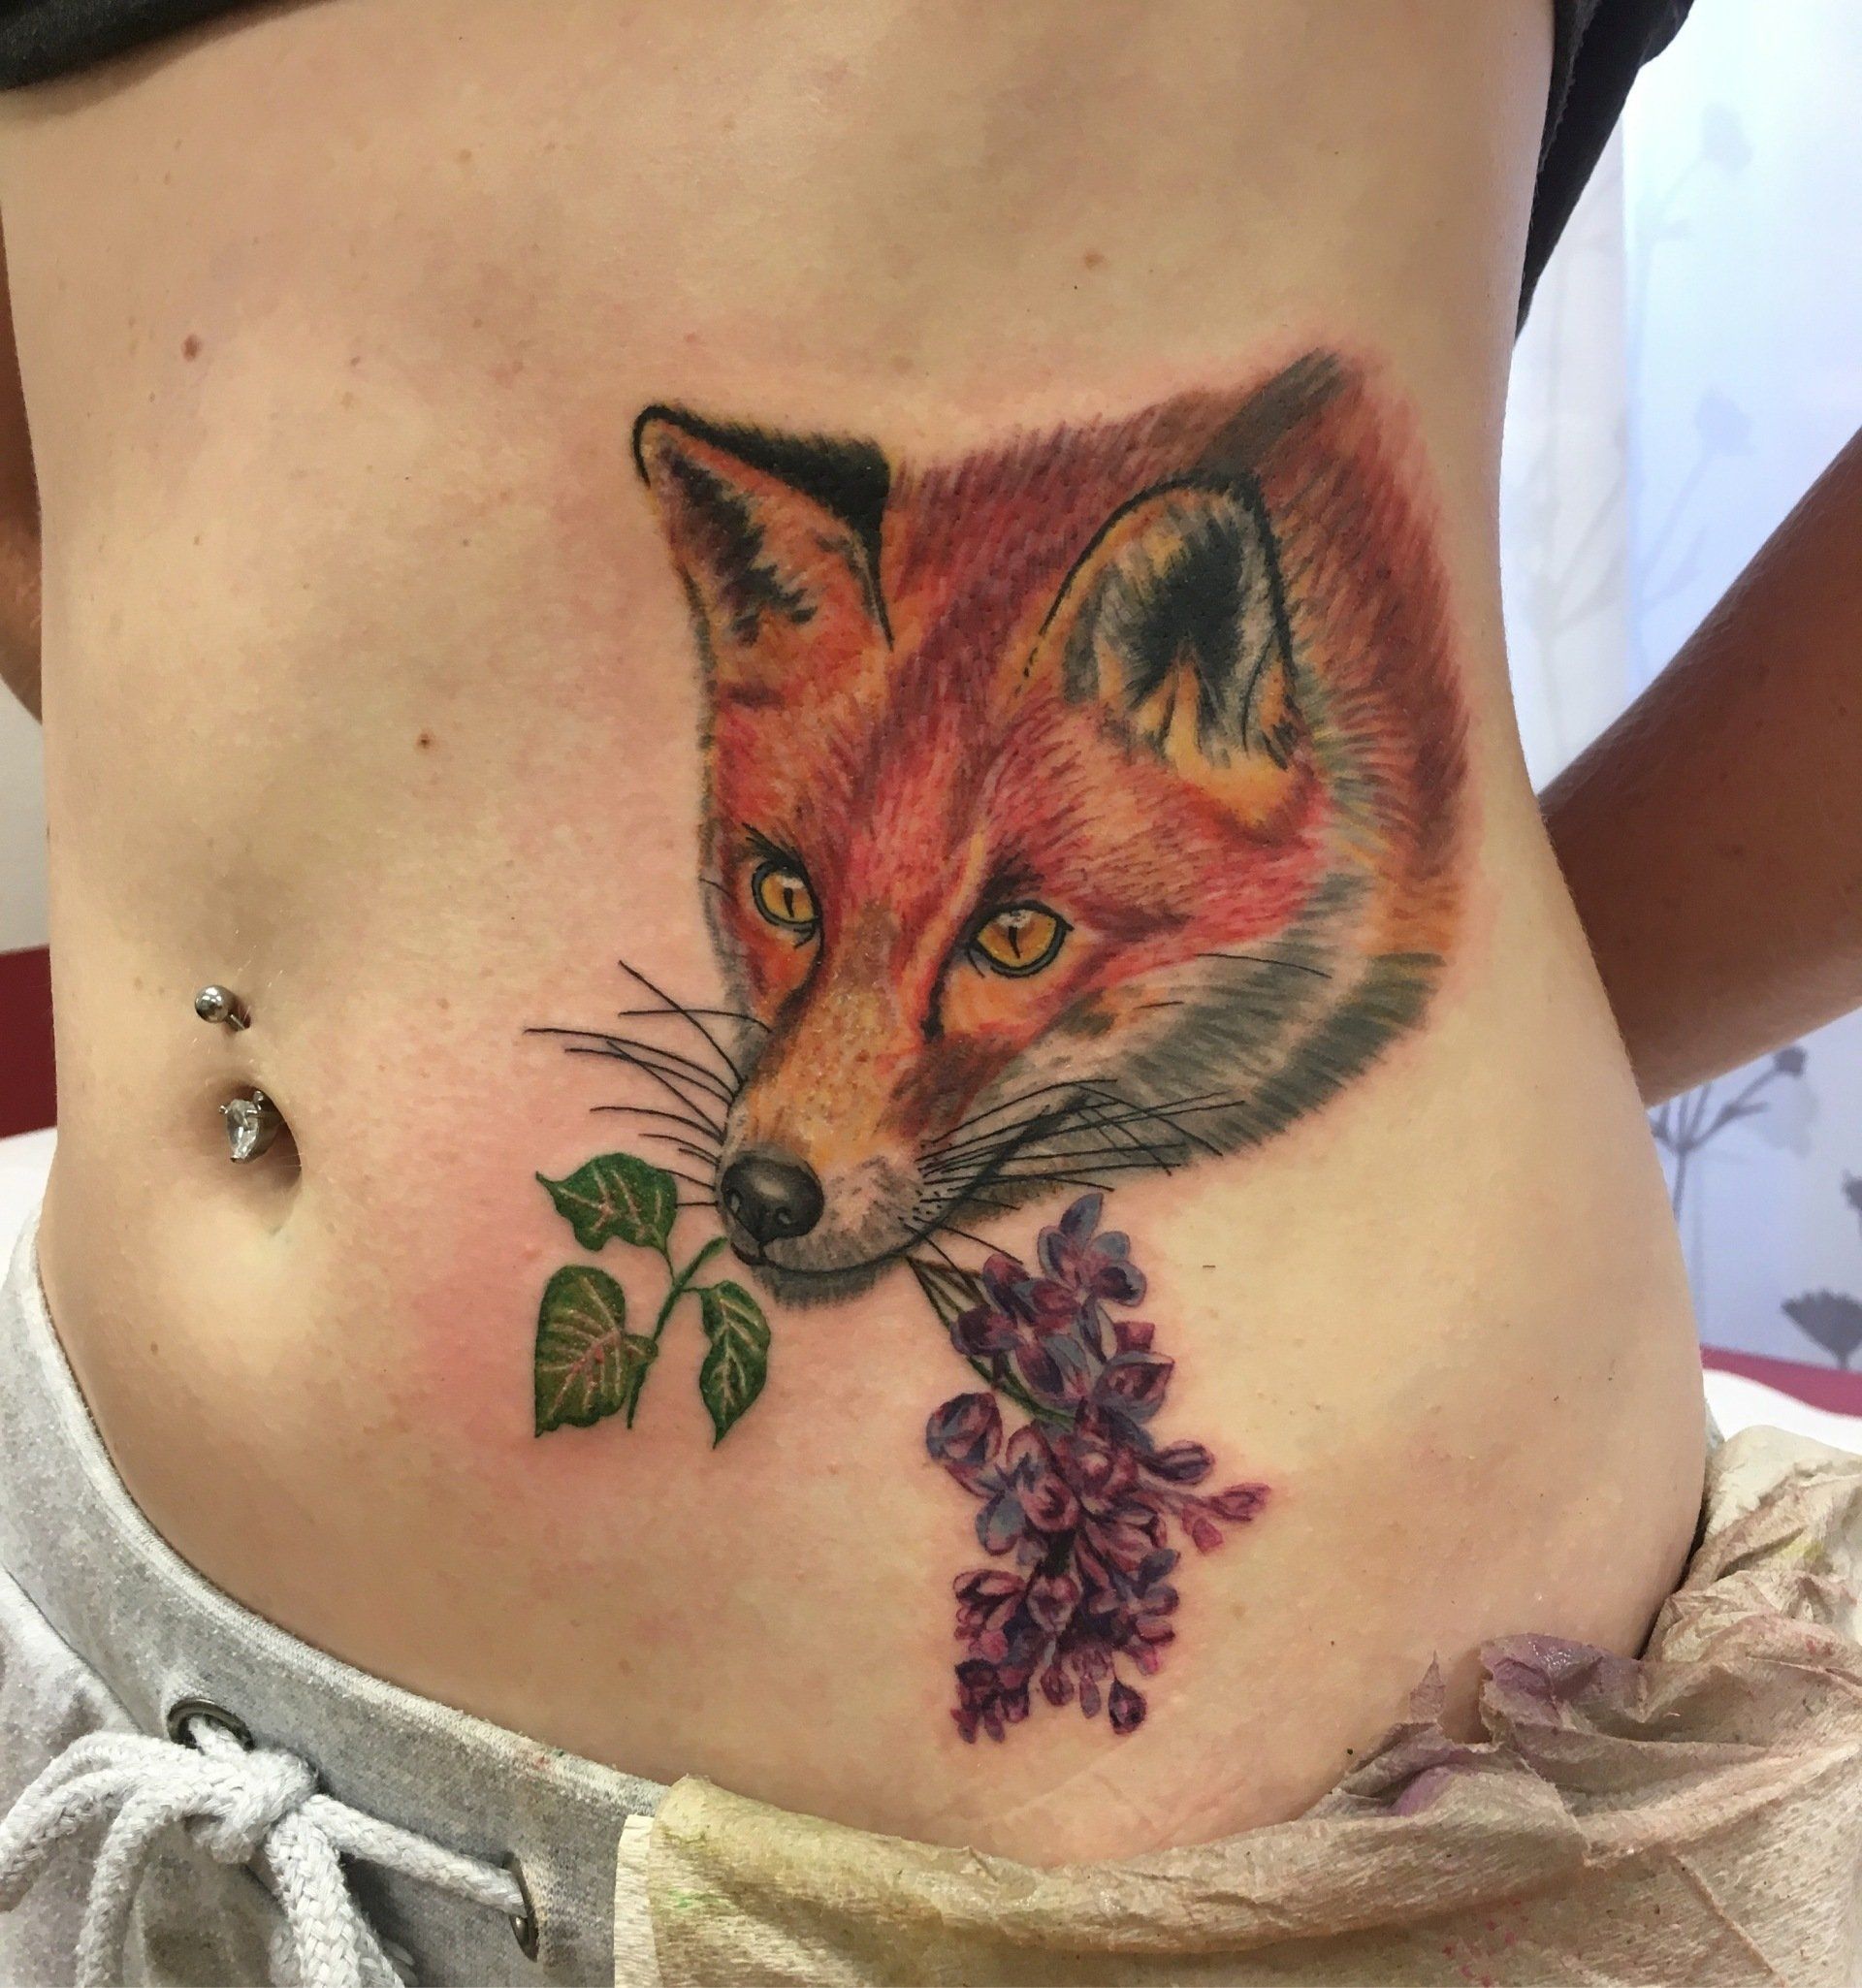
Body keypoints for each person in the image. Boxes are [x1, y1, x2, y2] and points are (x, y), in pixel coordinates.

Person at [0, 2, 1855, 1981]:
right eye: (783, 902)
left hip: (1196, 1891)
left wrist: (1424, 1055)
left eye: (1005, 942)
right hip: (124, 1645)